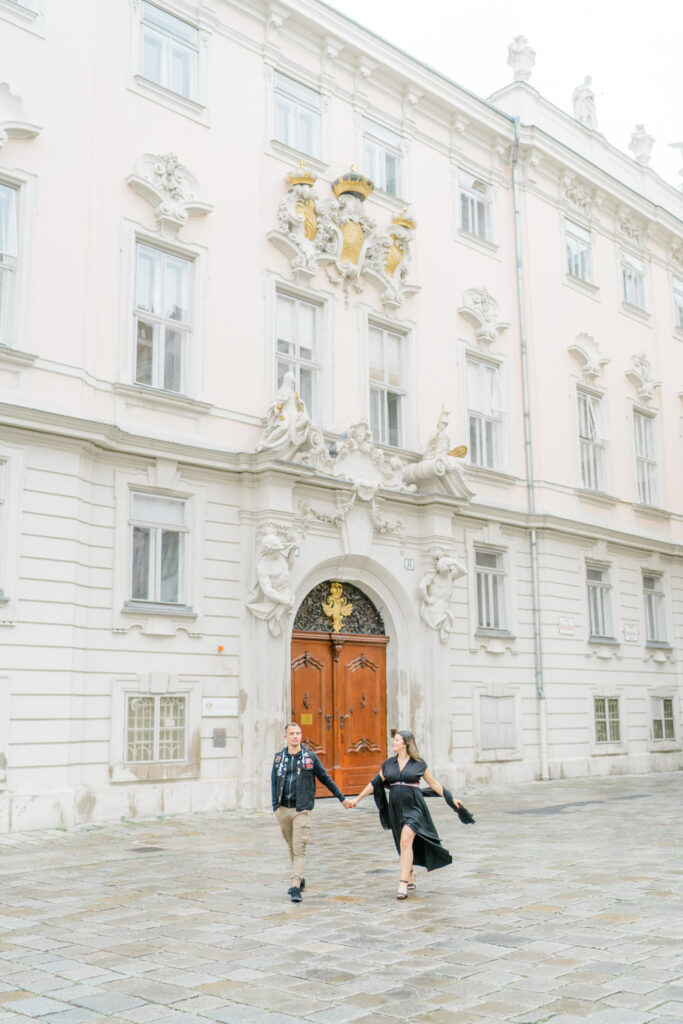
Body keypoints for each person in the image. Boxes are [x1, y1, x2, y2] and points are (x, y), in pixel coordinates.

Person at [349, 729, 469, 900]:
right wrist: (357, 799)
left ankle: (403, 883)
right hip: (396, 809)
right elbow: (374, 783)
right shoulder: (388, 764)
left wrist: (451, 799)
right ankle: (410, 872)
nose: (393, 743)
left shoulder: (419, 764)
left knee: (406, 839)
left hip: (414, 807)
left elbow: (434, 784)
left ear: (405, 743)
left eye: (397, 740)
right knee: (404, 844)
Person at [271, 722, 353, 902]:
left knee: (299, 847)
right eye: (291, 733)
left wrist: (342, 798)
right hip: (283, 808)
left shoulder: (310, 757)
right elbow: (274, 782)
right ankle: (299, 876)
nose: (295, 736)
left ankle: (294, 885)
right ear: (285, 737)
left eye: (298, 733)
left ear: (301, 736)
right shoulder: (279, 758)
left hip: (302, 808)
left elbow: (326, 778)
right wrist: (275, 807)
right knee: (292, 846)